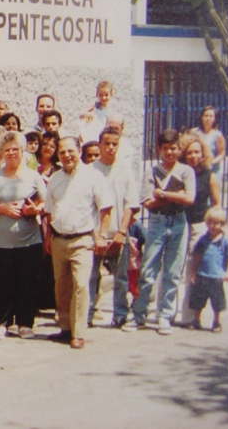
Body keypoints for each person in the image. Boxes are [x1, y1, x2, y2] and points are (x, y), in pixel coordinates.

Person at [44, 137, 111, 349]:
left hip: (82, 240)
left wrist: (101, 236)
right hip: (58, 240)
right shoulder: (55, 178)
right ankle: (65, 327)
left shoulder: (93, 177)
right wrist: (47, 237)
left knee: (81, 286)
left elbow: (106, 208)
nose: (66, 155)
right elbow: (48, 211)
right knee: (61, 287)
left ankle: (79, 333)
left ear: (79, 150)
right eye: (62, 152)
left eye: (70, 151)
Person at [0, 131, 46, 340]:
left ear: (22, 151)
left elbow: (45, 203)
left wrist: (33, 210)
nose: (11, 153)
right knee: (2, 284)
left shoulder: (33, 176)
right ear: (0, 153)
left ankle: (25, 323)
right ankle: (2, 322)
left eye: (15, 149)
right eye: (7, 150)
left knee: (26, 283)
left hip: (29, 241)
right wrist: (3, 208)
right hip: (0, 243)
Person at [128, 129, 195, 335]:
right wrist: (177, 194)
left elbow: (189, 198)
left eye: (173, 148)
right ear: (159, 149)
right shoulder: (152, 172)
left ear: (179, 149)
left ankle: (164, 315)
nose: (170, 152)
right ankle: (139, 314)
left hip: (178, 222)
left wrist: (163, 194)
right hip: (157, 222)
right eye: (165, 149)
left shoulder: (186, 171)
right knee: (148, 270)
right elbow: (148, 202)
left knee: (173, 272)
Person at [90, 127, 140, 330]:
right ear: (99, 144)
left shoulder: (125, 170)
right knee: (92, 276)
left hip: (118, 233)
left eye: (114, 144)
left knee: (120, 278)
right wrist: (96, 235)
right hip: (95, 234)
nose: (110, 148)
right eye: (106, 143)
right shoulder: (90, 170)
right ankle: (88, 313)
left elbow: (131, 204)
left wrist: (121, 232)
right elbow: (87, 206)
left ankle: (120, 314)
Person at [177, 133, 222, 326]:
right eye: (189, 152)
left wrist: (214, 228)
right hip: (179, 224)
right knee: (173, 268)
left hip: (198, 226)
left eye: (197, 152)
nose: (194, 156)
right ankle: (168, 311)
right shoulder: (180, 173)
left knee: (191, 270)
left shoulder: (209, 176)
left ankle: (188, 316)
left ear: (203, 154)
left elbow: (216, 204)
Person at [186, 207, 228, 333]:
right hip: (202, 274)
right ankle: (196, 320)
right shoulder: (203, 240)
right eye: (210, 223)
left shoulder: (225, 242)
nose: (213, 226)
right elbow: (197, 256)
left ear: (222, 224)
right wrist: (194, 271)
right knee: (198, 300)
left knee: (217, 301)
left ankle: (216, 321)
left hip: (216, 276)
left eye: (216, 223)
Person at [189, 106, 226, 176]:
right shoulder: (194, 132)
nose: (208, 118)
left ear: (214, 119)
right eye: (206, 116)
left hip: (212, 170)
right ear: (202, 117)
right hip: (195, 168)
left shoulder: (217, 135)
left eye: (211, 116)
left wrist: (211, 162)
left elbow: (221, 154)